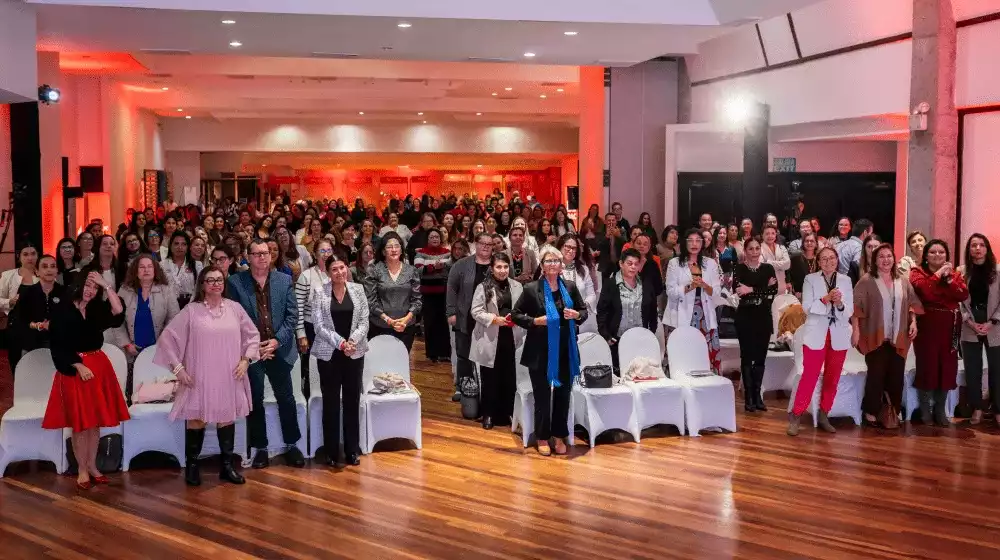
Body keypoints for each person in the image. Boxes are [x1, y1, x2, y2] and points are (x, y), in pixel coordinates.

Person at [155, 267, 259, 486]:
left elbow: (252, 335)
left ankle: (227, 467)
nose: (215, 283)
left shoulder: (235, 308)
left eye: (219, 279)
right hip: (199, 376)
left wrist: (246, 360)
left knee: (226, 417)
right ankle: (192, 466)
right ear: (202, 284)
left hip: (229, 375)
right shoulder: (191, 311)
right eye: (210, 280)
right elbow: (167, 338)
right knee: (197, 419)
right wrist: (178, 369)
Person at [42, 271, 129, 490]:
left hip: (98, 365)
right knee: (81, 423)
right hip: (74, 368)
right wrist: (78, 365)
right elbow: (57, 345)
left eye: (95, 288)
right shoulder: (62, 308)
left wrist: (106, 285)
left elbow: (118, 312)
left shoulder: (95, 309)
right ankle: (81, 468)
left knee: (94, 421)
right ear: (79, 285)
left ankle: (92, 465)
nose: (91, 291)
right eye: (88, 286)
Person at [227, 239, 305, 469]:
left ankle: (292, 444)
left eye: (266, 253)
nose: (262, 257)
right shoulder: (235, 282)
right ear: (247, 257)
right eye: (256, 253)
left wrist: (276, 341)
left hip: (279, 350)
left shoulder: (283, 280)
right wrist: (255, 346)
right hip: (251, 353)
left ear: (271, 257)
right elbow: (234, 320)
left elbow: (292, 316)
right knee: (256, 401)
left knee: (286, 398)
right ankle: (260, 447)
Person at [512, 246, 586, 456]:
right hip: (539, 350)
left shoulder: (570, 287)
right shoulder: (531, 289)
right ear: (542, 266)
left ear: (562, 266)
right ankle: (543, 436)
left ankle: (559, 434)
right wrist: (535, 321)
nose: (553, 264)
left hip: (565, 349)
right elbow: (516, 315)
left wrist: (577, 315)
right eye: (548, 261)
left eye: (556, 261)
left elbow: (583, 311)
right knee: (542, 396)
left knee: (563, 395)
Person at [852, 243, 922, 428]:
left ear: (894, 258)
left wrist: (913, 321)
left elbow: (912, 302)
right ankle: (871, 412)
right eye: (881, 256)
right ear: (875, 260)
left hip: (898, 337)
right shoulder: (867, 281)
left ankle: (892, 411)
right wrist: (856, 331)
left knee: (896, 376)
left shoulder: (902, 281)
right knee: (876, 375)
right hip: (875, 337)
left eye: (889, 256)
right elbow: (856, 308)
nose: (885, 260)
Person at [311, 250, 369, 468]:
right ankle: (331, 451)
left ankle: (352, 449)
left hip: (354, 353)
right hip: (330, 355)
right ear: (327, 272)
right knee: (331, 403)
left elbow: (364, 321)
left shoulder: (358, 289)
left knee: (352, 401)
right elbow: (319, 326)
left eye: (342, 267)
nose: (339, 272)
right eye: (334, 269)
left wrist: (351, 341)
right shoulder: (319, 292)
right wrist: (341, 343)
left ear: (348, 268)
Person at [788, 247, 854, 436]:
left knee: (832, 378)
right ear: (818, 261)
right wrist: (825, 299)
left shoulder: (846, 280)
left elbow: (849, 311)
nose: (828, 262)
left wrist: (840, 303)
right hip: (816, 334)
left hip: (838, 335)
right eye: (824, 259)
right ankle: (796, 415)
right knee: (809, 376)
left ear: (837, 259)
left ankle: (825, 414)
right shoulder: (811, 279)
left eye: (831, 258)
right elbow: (807, 307)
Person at [910, 239, 967, 426]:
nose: (937, 255)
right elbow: (926, 292)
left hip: (950, 326)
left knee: (947, 368)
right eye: (933, 252)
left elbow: (962, 294)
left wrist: (948, 279)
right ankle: (925, 409)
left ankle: (941, 410)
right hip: (927, 325)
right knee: (928, 366)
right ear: (925, 256)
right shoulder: (917, 273)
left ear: (947, 255)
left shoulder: (954, 274)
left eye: (941, 252)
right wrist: (937, 276)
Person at [113, 255, 180, 400]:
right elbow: (116, 322)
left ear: (155, 270)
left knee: (158, 392)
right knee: (133, 393)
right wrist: (126, 343)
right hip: (131, 351)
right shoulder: (125, 291)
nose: (146, 270)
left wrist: (162, 342)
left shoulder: (166, 290)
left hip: (160, 349)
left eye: (149, 266)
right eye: (142, 267)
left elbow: (174, 319)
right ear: (135, 271)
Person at [470, 253, 524, 430]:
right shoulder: (483, 286)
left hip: (511, 335)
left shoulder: (517, 286)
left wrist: (518, 318)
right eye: (499, 267)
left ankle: (508, 412)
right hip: (490, 336)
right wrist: (494, 319)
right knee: (490, 377)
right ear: (492, 269)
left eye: (505, 267)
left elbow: (523, 309)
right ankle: (489, 413)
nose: (502, 271)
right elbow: (476, 311)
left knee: (509, 376)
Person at [665, 229, 722, 373]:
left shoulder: (710, 264)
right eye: (690, 240)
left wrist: (704, 285)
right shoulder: (675, 263)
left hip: (705, 313)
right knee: (681, 356)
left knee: (703, 355)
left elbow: (716, 293)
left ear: (703, 243)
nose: (694, 244)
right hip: (681, 313)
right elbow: (671, 292)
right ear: (684, 243)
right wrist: (690, 286)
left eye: (698, 240)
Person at [958, 234, 1000, 426]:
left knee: (997, 370)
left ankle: (998, 409)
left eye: (981, 245)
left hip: (995, 325)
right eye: (973, 245)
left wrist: (992, 322)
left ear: (987, 248)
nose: (977, 248)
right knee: (972, 369)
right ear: (969, 249)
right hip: (970, 324)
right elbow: (959, 301)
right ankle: (977, 408)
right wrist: (970, 322)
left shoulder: (998, 271)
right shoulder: (961, 272)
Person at [733, 238, 778, 412]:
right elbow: (739, 291)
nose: (754, 251)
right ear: (745, 250)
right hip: (745, 317)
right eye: (750, 248)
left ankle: (758, 395)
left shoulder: (768, 268)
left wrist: (751, 289)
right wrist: (762, 289)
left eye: (757, 248)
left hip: (763, 318)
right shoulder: (739, 269)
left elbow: (773, 291)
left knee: (760, 357)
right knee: (747, 356)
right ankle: (749, 397)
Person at [447, 232, 495, 395]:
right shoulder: (461, 265)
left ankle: (485, 389)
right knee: (464, 354)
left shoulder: (498, 264)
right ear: (476, 244)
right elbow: (452, 288)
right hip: (464, 316)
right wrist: (451, 312)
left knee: (487, 354)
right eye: (483, 243)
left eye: (489, 244)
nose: (486, 247)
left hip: (489, 318)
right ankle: (462, 387)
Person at [597, 248, 655, 372]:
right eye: (629, 263)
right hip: (617, 339)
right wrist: (606, 335)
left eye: (636, 264)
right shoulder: (611, 284)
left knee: (640, 374)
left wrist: (651, 333)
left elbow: (652, 312)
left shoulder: (646, 284)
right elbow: (602, 311)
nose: (633, 267)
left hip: (640, 339)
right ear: (621, 264)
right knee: (620, 375)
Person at [365, 232, 422, 351]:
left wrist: (406, 319)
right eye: (389, 247)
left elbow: (417, 300)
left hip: (406, 326)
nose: (394, 249)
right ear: (383, 251)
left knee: (401, 364)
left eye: (397, 246)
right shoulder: (374, 270)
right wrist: (388, 320)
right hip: (380, 326)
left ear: (402, 250)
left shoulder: (412, 271)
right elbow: (371, 301)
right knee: (381, 365)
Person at [295, 238, 334, 392]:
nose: (326, 254)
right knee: (312, 370)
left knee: (331, 370)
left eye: (329, 250)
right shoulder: (306, 276)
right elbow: (298, 308)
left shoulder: (337, 272)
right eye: (322, 251)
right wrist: (301, 335)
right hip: (311, 328)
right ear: (315, 254)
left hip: (333, 329)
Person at [12, 255, 65, 365]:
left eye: (53, 266)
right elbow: (20, 320)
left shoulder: (64, 292)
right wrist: (36, 325)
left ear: (57, 271)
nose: (49, 270)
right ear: (37, 271)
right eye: (44, 267)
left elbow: (70, 318)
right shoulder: (27, 293)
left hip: (58, 344)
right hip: (32, 344)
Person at [1, 243, 39, 371]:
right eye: (26, 254)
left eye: (33, 254)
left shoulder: (44, 274)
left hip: (38, 328)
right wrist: (9, 302)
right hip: (16, 327)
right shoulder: (8, 275)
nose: (30, 258)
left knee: (37, 366)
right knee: (17, 365)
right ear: (19, 256)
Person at [415, 230, 452, 362]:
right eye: (432, 237)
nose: (435, 238)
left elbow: (450, 268)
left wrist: (435, 267)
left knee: (443, 323)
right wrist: (433, 268)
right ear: (428, 239)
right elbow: (418, 270)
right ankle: (432, 353)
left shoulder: (447, 252)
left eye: (437, 236)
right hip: (428, 293)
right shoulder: (420, 253)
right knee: (430, 323)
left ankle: (445, 352)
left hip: (444, 293)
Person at [555, 234, 598, 334]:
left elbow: (591, 294)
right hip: (558, 318)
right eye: (567, 247)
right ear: (560, 247)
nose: (571, 250)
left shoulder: (583, 269)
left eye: (574, 248)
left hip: (579, 318)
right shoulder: (552, 266)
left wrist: (580, 308)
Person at [162, 231, 203, 309]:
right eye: (176, 244)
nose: (180, 247)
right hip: (166, 306)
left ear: (188, 247)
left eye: (183, 244)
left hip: (191, 306)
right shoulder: (161, 265)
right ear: (170, 246)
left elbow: (200, 289)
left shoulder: (197, 265)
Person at [596, 212, 627, 286]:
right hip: (605, 264)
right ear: (605, 221)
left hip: (618, 263)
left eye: (613, 220)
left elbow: (626, 244)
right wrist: (606, 237)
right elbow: (597, 246)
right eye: (609, 220)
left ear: (616, 221)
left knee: (619, 285)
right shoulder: (600, 232)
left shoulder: (622, 231)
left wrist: (619, 236)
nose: (611, 222)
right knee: (605, 286)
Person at [760, 225, 790, 295]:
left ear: (776, 235)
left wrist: (768, 262)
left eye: (773, 233)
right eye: (767, 234)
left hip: (782, 285)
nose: (770, 236)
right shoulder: (758, 248)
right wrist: (781, 264)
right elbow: (762, 266)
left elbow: (787, 264)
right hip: (767, 285)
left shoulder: (781, 247)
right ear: (762, 235)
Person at [789, 232, 820, 300]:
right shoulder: (795, 257)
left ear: (816, 244)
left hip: (816, 295)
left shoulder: (819, 258)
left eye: (812, 241)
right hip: (798, 295)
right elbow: (788, 273)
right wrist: (793, 289)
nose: (809, 243)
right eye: (806, 241)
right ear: (803, 243)